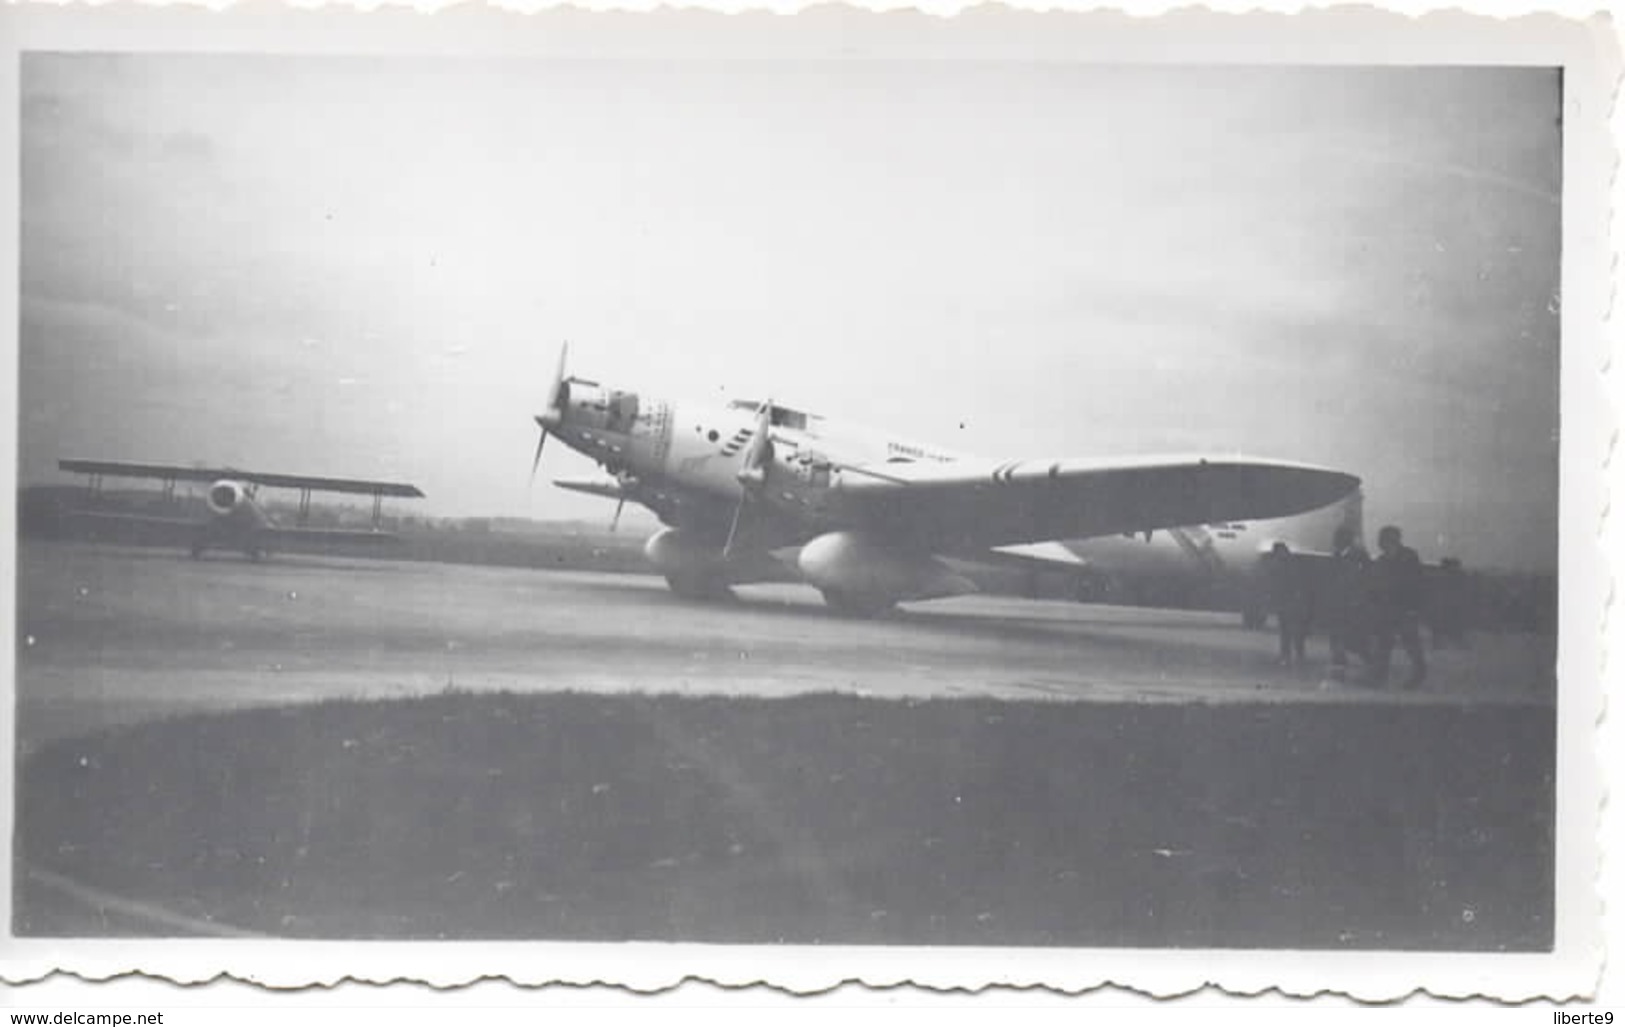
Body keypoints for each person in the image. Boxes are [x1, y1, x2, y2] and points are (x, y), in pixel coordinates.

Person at [1368, 525, 1427, 690]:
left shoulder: (1408, 557)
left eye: (1382, 539)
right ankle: (1379, 675)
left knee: (1409, 642)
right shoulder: (1384, 560)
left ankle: (1419, 672)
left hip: (1404, 607)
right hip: (1388, 608)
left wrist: (1414, 607)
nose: (1379, 543)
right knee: (1385, 643)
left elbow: (1416, 583)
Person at [1324, 524, 1371, 680]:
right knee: (1337, 635)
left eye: (1338, 538)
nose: (1336, 541)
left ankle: (1369, 661)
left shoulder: (1358, 556)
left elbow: (1363, 579)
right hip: (1339, 602)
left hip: (1351, 602)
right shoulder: (1338, 555)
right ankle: (1340, 663)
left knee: (1352, 636)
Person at [1263, 542, 1315, 671]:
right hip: (1292, 602)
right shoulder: (1291, 564)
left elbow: (1276, 584)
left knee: (1286, 631)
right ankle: (1297, 654)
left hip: (1287, 602)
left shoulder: (1279, 565)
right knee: (1294, 631)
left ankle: (1287, 655)